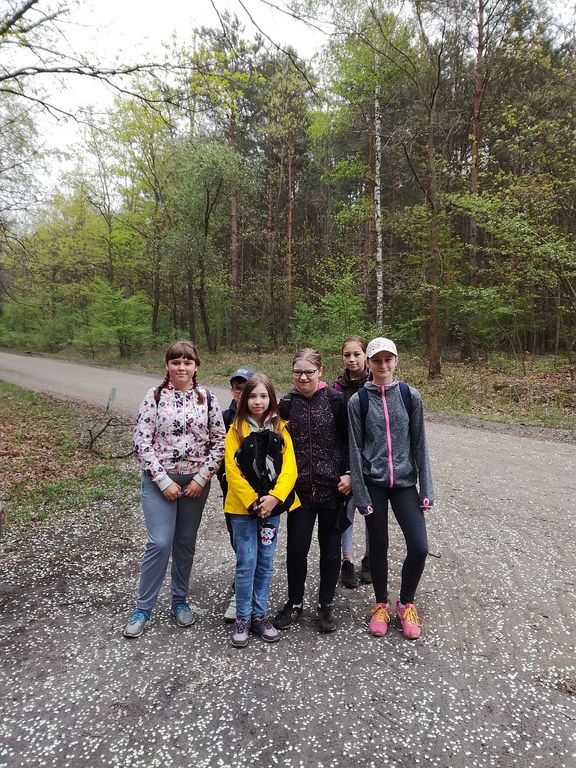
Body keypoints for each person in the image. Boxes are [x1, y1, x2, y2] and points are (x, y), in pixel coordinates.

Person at [124, 340, 225, 638]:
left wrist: (202, 478)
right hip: (159, 482)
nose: (182, 367)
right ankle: (143, 607)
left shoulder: (207, 399)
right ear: (167, 365)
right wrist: (163, 480)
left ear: (196, 366)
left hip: (195, 483)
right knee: (159, 543)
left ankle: (179, 600)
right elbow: (141, 442)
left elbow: (220, 441)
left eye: (187, 362)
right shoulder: (154, 397)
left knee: (184, 542)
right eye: (176, 362)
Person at [348, 337, 434, 640]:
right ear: (369, 363)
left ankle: (406, 603)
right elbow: (355, 450)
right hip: (374, 484)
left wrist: (427, 488)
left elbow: (420, 444)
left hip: (405, 483)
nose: (383, 365)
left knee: (420, 547)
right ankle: (381, 604)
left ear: (396, 361)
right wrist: (361, 494)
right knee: (378, 546)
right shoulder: (358, 401)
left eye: (388, 359)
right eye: (377, 360)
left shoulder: (410, 396)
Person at [274, 348, 351, 633]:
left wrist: (349, 474)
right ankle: (294, 603)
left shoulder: (336, 401)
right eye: (298, 371)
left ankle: (325, 606)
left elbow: (350, 442)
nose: (303, 377)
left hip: (333, 489)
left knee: (330, 551)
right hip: (299, 492)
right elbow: (277, 445)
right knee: (297, 549)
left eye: (309, 371)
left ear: (320, 372)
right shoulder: (286, 404)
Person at [224, 373, 299, 648]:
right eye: (252, 396)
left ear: (271, 399)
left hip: (272, 510)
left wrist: (274, 499)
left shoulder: (281, 429)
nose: (258, 401)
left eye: (263, 396)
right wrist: (253, 501)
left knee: (265, 561)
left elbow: (290, 468)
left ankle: (259, 614)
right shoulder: (235, 431)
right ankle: (243, 617)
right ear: (244, 399)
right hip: (243, 509)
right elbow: (231, 471)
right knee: (246, 562)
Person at [216, 366, 256, 623]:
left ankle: (254, 594)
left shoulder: (266, 418)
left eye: (247, 388)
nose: (242, 393)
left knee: (260, 548)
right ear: (232, 391)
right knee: (240, 544)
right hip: (233, 497)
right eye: (238, 388)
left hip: (263, 498)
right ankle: (239, 593)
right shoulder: (222, 419)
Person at [332, 335, 371, 589]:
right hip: (344, 456)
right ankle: (347, 559)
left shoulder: (375, 383)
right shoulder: (337, 387)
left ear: (365, 355)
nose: (352, 359)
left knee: (370, 511)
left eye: (357, 354)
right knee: (346, 511)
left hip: (371, 458)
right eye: (347, 355)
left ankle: (370, 557)